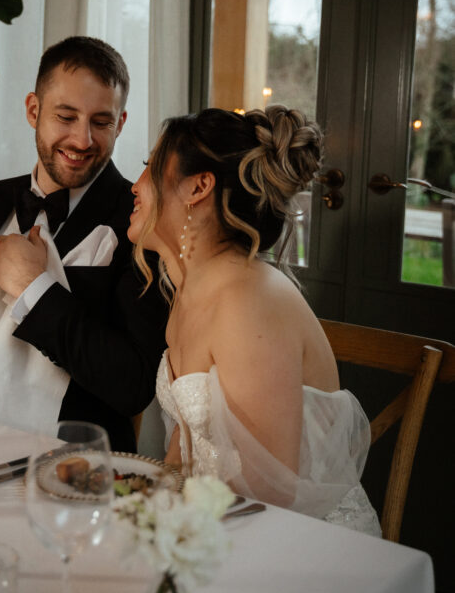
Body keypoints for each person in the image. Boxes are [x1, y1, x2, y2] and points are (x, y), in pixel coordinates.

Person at [127, 104, 381, 535]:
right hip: (220, 520)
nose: (134, 186)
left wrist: (174, 535)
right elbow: (189, 441)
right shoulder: (190, 287)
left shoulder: (248, 301)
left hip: (295, 537)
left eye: (149, 168)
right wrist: (147, 504)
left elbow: (273, 492)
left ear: (198, 187)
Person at [0, 36, 167, 452]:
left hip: (80, 464)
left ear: (120, 124)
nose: (82, 140)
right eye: (66, 117)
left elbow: (133, 386)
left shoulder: (139, 221)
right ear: (34, 110)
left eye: (101, 122)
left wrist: (35, 287)